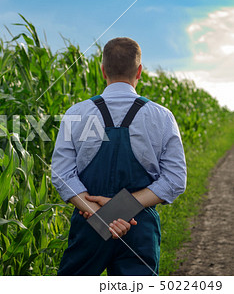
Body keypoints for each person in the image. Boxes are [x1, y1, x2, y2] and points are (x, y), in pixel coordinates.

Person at [51, 37, 187, 276]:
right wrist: (123, 209)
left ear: (102, 70)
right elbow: (175, 180)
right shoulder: (162, 117)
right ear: (140, 71)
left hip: (89, 225)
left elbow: (62, 175)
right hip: (138, 227)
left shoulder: (77, 113)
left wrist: (98, 214)